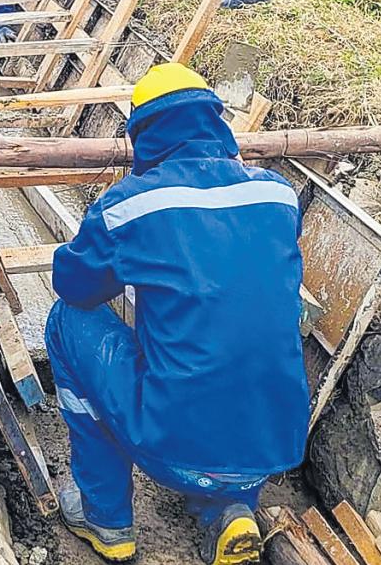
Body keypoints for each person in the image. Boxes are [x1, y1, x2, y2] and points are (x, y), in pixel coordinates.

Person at [45, 62, 308, 564]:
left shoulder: (131, 206)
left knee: (67, 322)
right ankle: (232, 508)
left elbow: (73, 286)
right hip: (272, 448)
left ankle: (106, 519)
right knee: (227, 329)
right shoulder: (279, 195)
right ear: (216, 121)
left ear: (141, 134)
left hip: (172, 449)